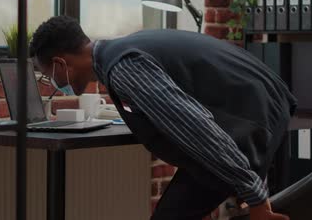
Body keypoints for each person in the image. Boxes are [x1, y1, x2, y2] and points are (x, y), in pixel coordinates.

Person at [29, 16, 296, 220]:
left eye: (47, 74)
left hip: (254, 115)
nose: (51, 82)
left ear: (61, 63)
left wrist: (255, 196)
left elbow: (197, 129)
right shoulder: (120, 53)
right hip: (259, 107)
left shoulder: (123, 68)